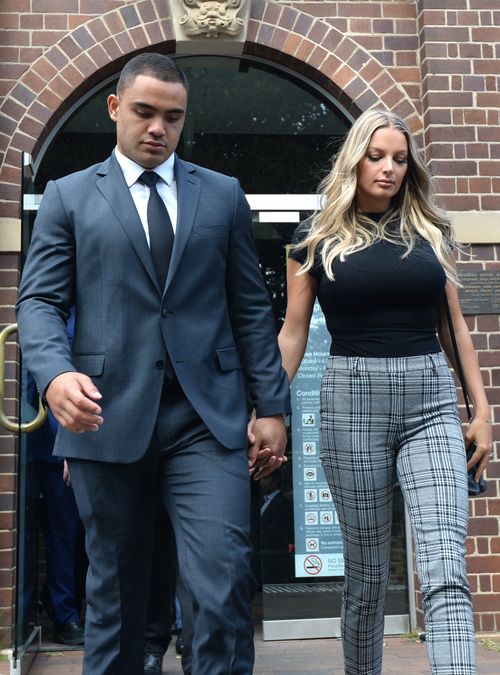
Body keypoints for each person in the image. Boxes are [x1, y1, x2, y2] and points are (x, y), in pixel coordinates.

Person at [16, 52, 290, 675]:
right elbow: (39, 302)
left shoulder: (221, 195)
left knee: (222, 582)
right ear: (115, 108)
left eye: (173, 117)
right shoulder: (68, 196)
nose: (158, 128)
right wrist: (54, 375)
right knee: (115, 601)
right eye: (144, 112)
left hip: (206, 422)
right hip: (106, 418)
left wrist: (271, 406)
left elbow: (250, 309)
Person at [278, 109, 492, 675]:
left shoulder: (431, 231)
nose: (389, 168)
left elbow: (454, 326)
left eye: (399, 159)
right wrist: (267, 408)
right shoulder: (314, 237)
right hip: (351, 402)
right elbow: (293, 333)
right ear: (355, 160)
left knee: (445, 565)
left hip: (431, 401)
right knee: (368, 575)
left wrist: (482, 410)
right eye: (376, 157)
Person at [26, 308, 86, 646]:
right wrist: (67, 447)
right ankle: (65, 615)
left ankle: (60, 602)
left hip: (96, 439)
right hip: (56, 446)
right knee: (64, 533)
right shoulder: (52, 314)